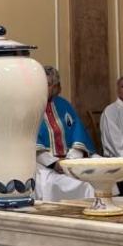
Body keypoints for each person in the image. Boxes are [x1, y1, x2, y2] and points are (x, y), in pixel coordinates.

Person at [35, 65, 95, 201]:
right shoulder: (32, 107)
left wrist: (71, 161)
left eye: (49, 84)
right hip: (44, 164)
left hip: (70, 161)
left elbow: (78, 134)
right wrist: (54, 163)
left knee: (97, 177)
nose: (45, 88)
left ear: (57, 86)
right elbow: (31, 142)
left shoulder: (64, 105)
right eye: (42, 84)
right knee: (51, 184)